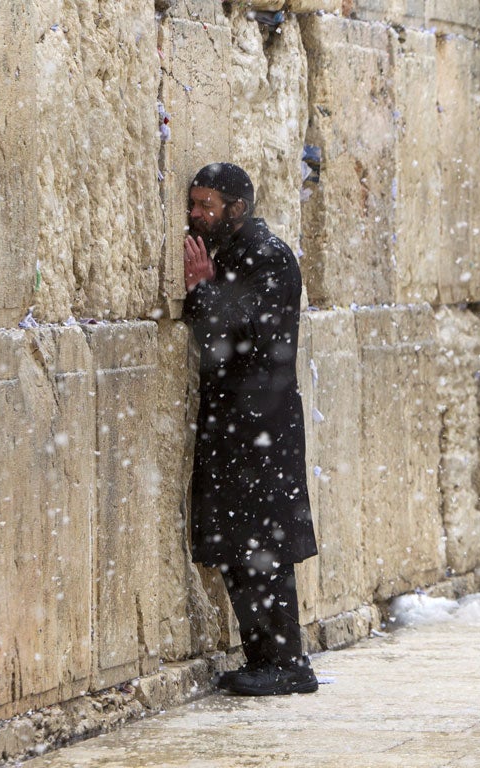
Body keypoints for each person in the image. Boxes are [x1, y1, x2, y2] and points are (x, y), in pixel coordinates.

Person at [183, 162, 319, 696]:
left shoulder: (268, 256)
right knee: (240, 543)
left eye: (205, 206)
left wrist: (201, 290)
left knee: (263, 543)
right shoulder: (236, 254)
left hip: (262, 423)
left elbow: (237, 330)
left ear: (236, 209)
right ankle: (264, 658)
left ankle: (288, 664)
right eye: (193, 204)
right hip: (240, 422)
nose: (195, 215)